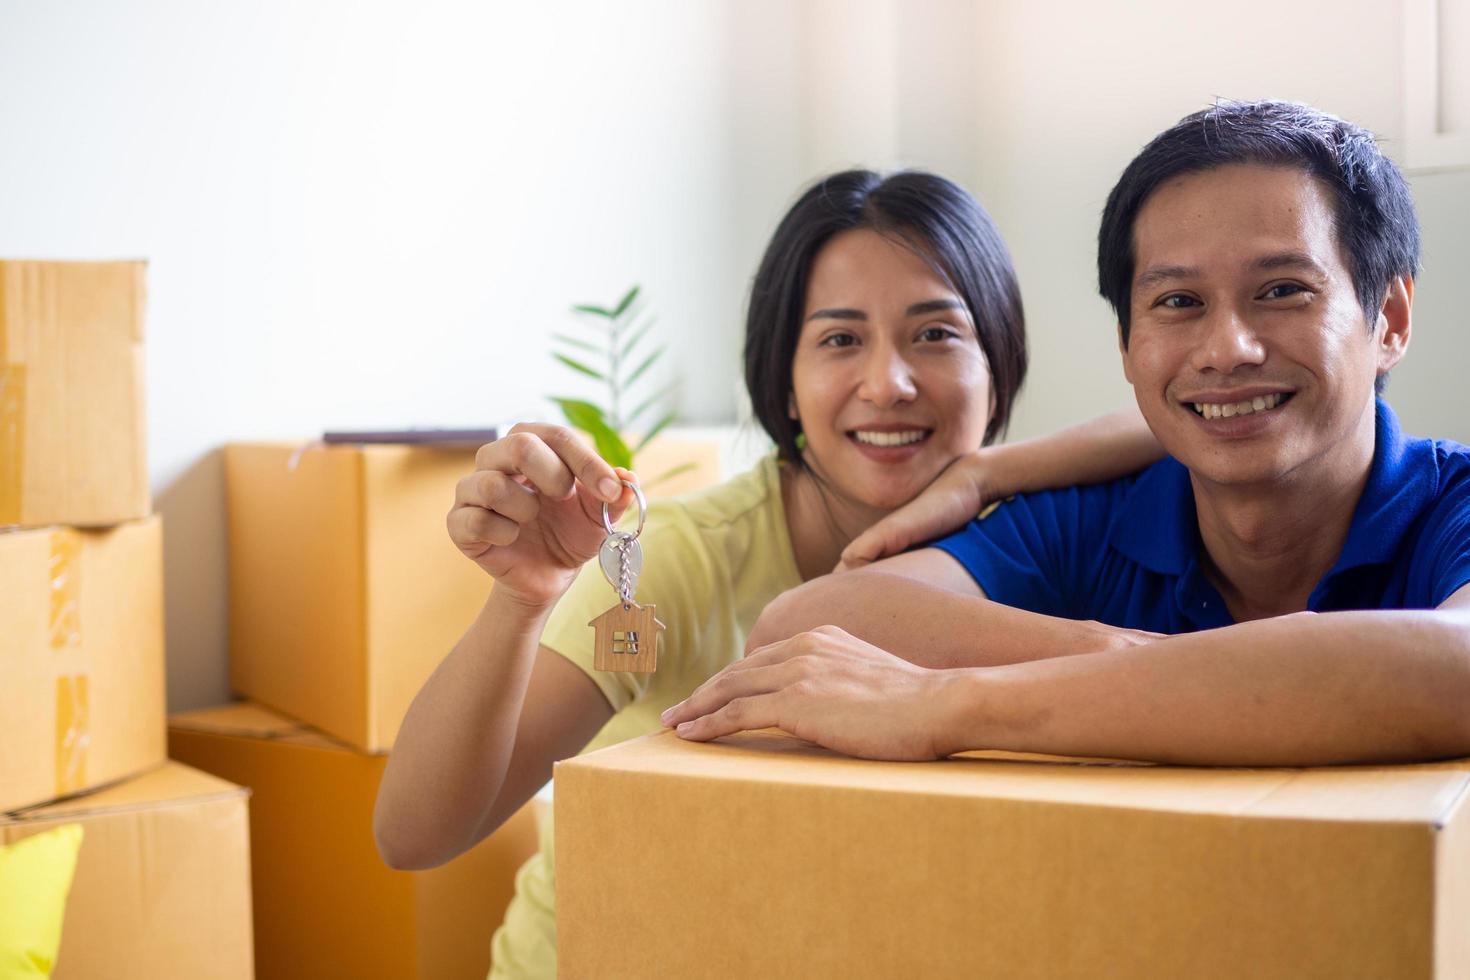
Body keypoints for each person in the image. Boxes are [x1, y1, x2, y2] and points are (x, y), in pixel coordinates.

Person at [374, 169, 1162, 978]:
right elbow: (416, 836)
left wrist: (988, 474)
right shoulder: (677, 559)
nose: (888, 384)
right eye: (839, 339)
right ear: (783, 383)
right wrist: (521, 599)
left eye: (936, 335)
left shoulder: (1022, 544)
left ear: (997, 364)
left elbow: (1180, 413)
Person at [663, 100, 1470, 768]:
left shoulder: (1452, 506)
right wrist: (1139, 663)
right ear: (1126, 344)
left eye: (1283, 289)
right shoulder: (1087, 520)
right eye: (1178, 303)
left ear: (1389, 319)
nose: (1228, 348)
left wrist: (945, 702)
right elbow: (805, 625)